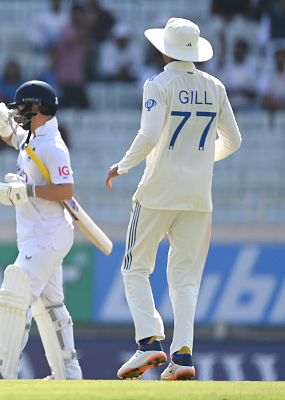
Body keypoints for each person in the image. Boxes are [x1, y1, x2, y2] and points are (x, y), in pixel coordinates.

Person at [105, 18, 241, 381]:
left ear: (164, 49)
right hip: (198, 196)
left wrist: (124, 165)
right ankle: (182, 356)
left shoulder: (158, 83)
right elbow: (234, 141)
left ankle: (149, 343)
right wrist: (196, 162)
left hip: (158, 191)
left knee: (135, 268)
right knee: (185, 281)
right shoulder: (215, 85)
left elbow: (149, 134)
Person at [0, 80, 82, 380]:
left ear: (36, 108)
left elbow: (66, 189)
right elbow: (20, 142)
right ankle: (68, 374)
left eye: (21, 108)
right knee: (50, 305)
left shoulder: (53, 146)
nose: (17, 113)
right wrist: (6, 130)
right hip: (39, 235)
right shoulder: (35, 139)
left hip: (47, 236)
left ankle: (1, 369)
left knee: (15, 291)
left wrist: (27, 192)